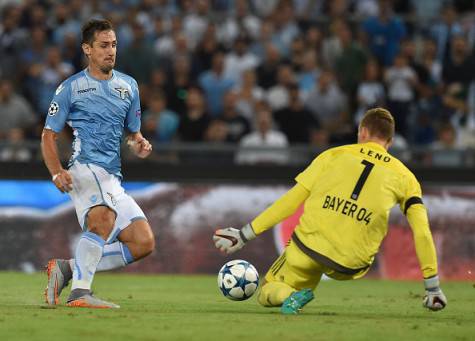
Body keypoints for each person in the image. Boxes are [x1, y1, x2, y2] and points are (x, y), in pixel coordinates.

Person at [213, 107, 447, 314]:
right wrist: (432, 286)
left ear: (362, 132)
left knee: (268, 290)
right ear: (390, 141)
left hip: (308, 249)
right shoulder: (406, 177)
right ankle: (298, 293)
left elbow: (290, 202)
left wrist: (243, 235)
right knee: (317, 268)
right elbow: (422, 232)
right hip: (352, 263)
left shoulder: (333, 155)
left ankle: (289, 296)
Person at [41, 19, 155, 309]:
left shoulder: (128, 86)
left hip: (112, 177)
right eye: (104, 45)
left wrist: (139, 144)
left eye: (114, 44)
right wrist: (56, 172)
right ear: (87, 49)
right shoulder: (70, 88)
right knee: (103, 218)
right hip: (84, 167)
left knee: (143, 243)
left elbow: (133, 133)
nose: (111, 51)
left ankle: (67, 269)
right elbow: (48, 135)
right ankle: (80, 293)